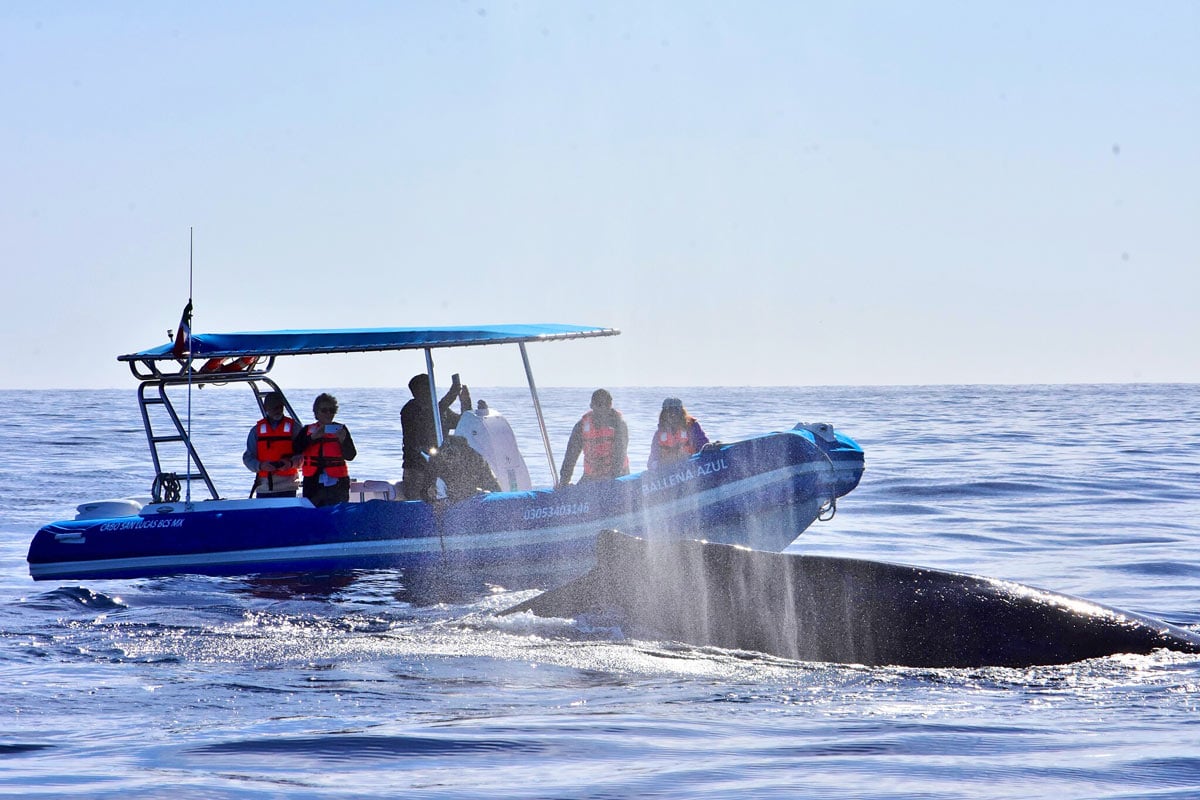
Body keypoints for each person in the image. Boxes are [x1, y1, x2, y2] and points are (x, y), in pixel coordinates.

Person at [401, 372, 472, 500]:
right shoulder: (410, 410)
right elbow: (431, 415)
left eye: (431, 388)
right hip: (417, 469)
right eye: (426, 388)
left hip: (439, 467)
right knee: (419, 504)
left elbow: (463, 424)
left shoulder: (441, 411)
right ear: (416, 392)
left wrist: (466, 403)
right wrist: (452, 394)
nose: (430, 392)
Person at [294, 393, 357, 507]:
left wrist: (343, 441)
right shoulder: (308, 430)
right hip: (313, 482)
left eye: (331, 410)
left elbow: (351, 455)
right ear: (316, 413)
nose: (328, 414)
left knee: (337, 514)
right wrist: (312, 438)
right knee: (313, 514)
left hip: (337, 483)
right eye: (324, 410)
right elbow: (295, 449)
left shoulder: (341, 430)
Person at [559, 388, 629, 485]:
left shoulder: (619, 425)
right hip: (591, 476)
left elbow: (619, 456)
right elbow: (571, 456)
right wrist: (564, 480)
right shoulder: (581, 427)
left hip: (619, 476)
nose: (603, 409)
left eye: (606, 405)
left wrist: (611, 482)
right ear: (592, 406)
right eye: (599, 405)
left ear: (611, 406)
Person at [242, 391, 302, 498]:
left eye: (280, 407)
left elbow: (305, 455)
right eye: (274, 408)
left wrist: (290, 463)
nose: (278, 411)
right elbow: (248, 458)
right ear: (266, 408)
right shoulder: (256, 431)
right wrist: (260, 465)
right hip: (264, 488)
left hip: (289, 486)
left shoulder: (294, 428)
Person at [424, 434, 501, 503]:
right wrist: (429, 492)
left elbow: (492, 485)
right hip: (452, 496)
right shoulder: (436, 461)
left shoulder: (474, 459)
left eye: (452, 458)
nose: (450, 462)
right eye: (447, 459)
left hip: (472, 493)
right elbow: (426, 487)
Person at [647, 397, 709, 470]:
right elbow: (651, 461)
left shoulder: (692, 427)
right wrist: (658, 465)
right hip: (668, 472)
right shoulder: (659, 435)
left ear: (682, 412)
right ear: (663, 414)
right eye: (668, 411)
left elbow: (704, 445)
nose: (672, 414)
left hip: (692, 467)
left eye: (676, 411)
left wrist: (710, 448)